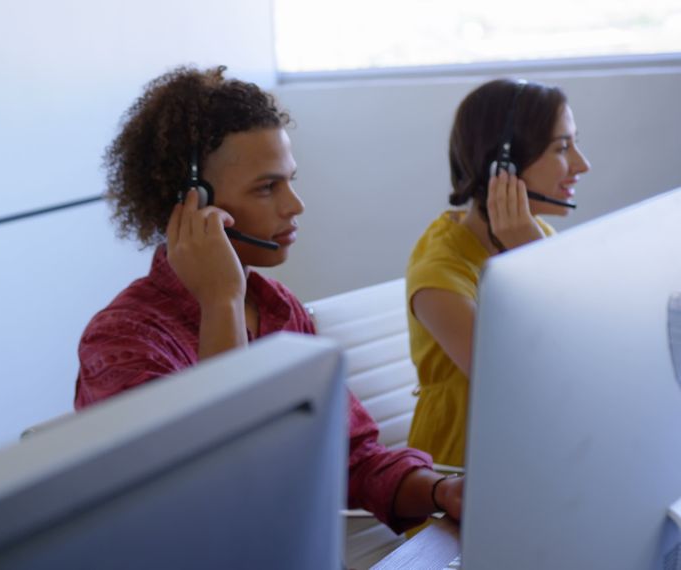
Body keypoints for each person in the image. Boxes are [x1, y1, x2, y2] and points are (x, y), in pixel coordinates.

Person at [75, 65, 463, 534]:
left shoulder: (278, 309)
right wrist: (221, 303)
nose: (294, 205)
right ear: (194, 204)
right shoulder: (122, 341)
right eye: (266, 187)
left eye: (289, 180)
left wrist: (440, 491)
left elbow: (352, 461)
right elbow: (214, 498)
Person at [405, 79, 591, 467]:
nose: (581, 164)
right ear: (502, 168)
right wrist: (534, 257)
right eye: (562, 147)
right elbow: (526, 381)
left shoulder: (532, 235)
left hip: (532, 455)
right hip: (462, 484)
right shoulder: (440, 274)